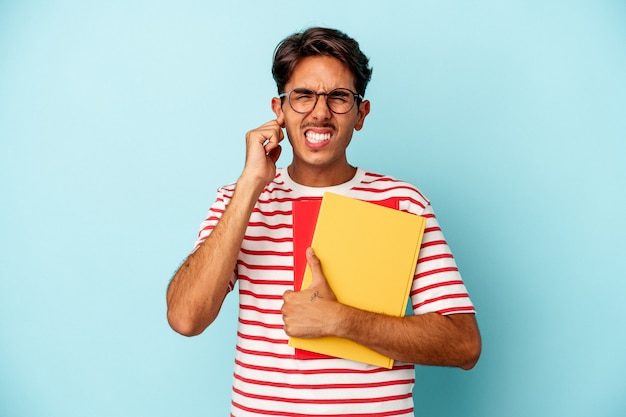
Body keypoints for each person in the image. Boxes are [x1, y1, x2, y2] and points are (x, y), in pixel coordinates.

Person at [166, 27, 481, 417]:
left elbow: (464, 345)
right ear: (279, 110)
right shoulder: (238, 202)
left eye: (338, 97)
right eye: (303, 96)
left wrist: (340, 320)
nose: (320, 112)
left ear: (361, 114)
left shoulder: (403, 202)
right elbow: (185, 318)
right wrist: (250, 185)